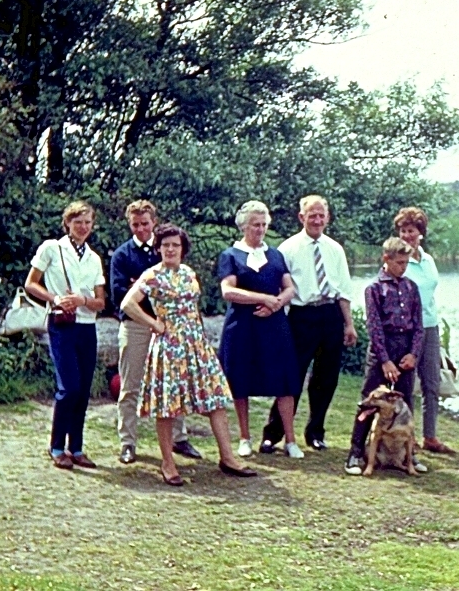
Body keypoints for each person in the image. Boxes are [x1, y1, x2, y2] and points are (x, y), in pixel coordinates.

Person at [121, 223, 256, 485]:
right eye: (165, 245)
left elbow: (193, 307)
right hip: (169, 345)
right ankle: (168, 463)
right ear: (158, 248)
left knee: (215, 398)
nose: (170, 249)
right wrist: (155, 324)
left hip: (196, 344)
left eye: (175, 245)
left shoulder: (188, 273)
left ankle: (228, 457)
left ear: (183, 249)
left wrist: (201, 340)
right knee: (168, 405)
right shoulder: (151, 275)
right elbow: (128, 303)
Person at [261, 195, 358, 453]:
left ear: (327, 217)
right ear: (301, 217)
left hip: (331, 314)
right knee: (292, 375)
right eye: (311, 215)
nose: (317, 220)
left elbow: (344, 289)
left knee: (326, 378)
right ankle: (274, 433)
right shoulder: (288, 248)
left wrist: (348, 324)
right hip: (302, 315)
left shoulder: (335, 249)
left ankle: (315, 432)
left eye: (321, 215)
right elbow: (280, 288)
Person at [110, 200, 201, 465]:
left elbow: (178, 289)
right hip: (137, 325)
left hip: (170, 327)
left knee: (174, 383)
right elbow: (120, 295)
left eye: (145, 224)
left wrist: (140, 285)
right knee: (130, 385)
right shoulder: (122, 255)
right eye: (135, 225)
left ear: (154, 222)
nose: (140, 229)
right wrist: (149, 305)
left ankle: (179, 437)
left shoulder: (165, 248)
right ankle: (128, 442)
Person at [24, 201, 107, 470]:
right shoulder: (52, 248)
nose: (83, 227)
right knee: (68, 387)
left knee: (83, 390)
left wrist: (83, 299)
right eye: (78, 222)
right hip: (61, 323)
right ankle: (57, 446)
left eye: (87, 222)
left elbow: (100, 302)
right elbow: (31, 283)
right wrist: (56, 298)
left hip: (86, 325)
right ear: (67, 223)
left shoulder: (93, 258)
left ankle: (77, 447)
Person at [218, 201, 302, 459]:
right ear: (244, 226)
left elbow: (289, 288)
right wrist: (262, 299)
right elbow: (228, 291)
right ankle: (244, 438)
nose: (261, 229)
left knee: (285, 382)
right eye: (256, 225)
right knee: (240, 380)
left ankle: (290, 440)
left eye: (264, 224)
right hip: (242, 327)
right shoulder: (231, 255)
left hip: (274, 326)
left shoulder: (275, 255)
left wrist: (276, 303)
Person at [344, 237, 426, 476]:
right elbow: (374, 327)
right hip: (383, 348)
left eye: (406, 263)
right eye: (399, 262)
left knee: (406, 402)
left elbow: (419, 325)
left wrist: (413, 354)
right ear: (386, 260)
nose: (403, 267)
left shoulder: (411, 287)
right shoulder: (375, 288)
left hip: (406, 347)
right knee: (369, 401)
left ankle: (410, 454)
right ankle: (356, 451)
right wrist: (385, 360)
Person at [394, 206, 454, 454]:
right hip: (406, 329)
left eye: (411, 231)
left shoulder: (428, 260)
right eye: (403, 230)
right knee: (405, 383)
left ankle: (431, 436)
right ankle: (408, 435)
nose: (407, 235)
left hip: (429, 326)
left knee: (431, 383)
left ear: (421, 234)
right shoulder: (396, 260)